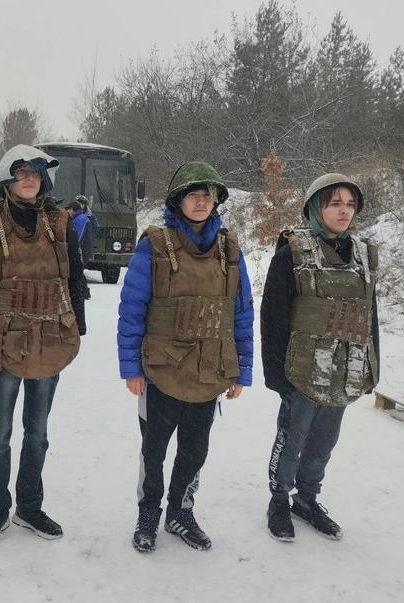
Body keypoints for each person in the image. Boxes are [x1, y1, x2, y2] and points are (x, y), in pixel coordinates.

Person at [117, 161, 254, 553]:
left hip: (210, 370)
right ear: (177, 200)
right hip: (161, 371)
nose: (201, 201)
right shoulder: (154, 245)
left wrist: (242, 370)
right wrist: (132, 368)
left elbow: (241, 313)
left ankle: (181, 510)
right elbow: (132, 310)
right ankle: (148, 513)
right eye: (194, 194)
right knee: (154, 450)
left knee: (195, 450)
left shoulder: (230, 250)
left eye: (208, 195)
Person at [0, 144, 86, 546]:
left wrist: (76, 331)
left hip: (51, 339)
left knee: (38, 432)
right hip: (3, 342)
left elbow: (74, 280)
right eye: (21, 172)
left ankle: (30, 507)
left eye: (35, 172)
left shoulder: (61, 223)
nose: (29, 179)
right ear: (7, 179)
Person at [262, 174, 379, 543]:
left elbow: (369, 314)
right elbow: (273, 316)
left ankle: (307, 498)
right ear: (315, 208)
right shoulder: (292, 253)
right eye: (335, 203)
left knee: (324, 442)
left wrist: (372, 367)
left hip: (345, 369)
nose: (344, 211)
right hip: (301, 370)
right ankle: (279, 500)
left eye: (350, 204)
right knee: (292, 439)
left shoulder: (363, 254)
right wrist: (275, 375)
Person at [66, 198, 93, 300]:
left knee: (78, 271)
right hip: (82, 249)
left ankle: (83, 292)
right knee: (79, 271)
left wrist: (73, 247)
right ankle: (84, 292)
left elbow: (78, 235)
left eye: (69, 210)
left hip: (81, 250)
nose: (68, 212)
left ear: (74, 209)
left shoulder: (81, 219)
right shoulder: (79, 218)